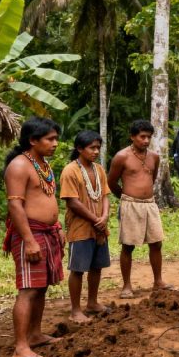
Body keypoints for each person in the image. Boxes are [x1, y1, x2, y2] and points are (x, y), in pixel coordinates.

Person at [3, 117, 64, 357]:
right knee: (28, 289)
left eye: (56, 138)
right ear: (32, 140)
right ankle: (20, 348)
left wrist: (57, 226)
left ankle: (35, 335)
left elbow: (46, 198)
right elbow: (15, 204)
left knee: (41, 287)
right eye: (50, 139)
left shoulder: (43, 165)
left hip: (47, 232)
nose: (55, 144)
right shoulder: (19, 166)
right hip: (31, 234)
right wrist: (29, 240)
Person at [107, 119, 171, 299]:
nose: (145, 140)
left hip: (150, 204)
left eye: (148, 137)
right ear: (132, 136)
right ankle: (127, 285)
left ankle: (158, 281)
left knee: (156, 242)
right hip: (130, 204)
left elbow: (153, 177)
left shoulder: (154, 157)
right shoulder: (122, 156)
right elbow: (111, 181)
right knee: (128, 245)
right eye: (142, 136)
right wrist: (126, 198)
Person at [60, 130, 111, 324]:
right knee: (78, 269)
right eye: (92, 148)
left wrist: (104, 216)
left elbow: (105, 195)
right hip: (81, 227)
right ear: (80, 148)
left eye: (98, 147)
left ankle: (92, 303)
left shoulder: (99, 169)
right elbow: (72, 201)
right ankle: (75, 310)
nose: (96, 151)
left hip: (99, 227)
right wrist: (95, 219)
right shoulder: (70, 170)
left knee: (96, 266)